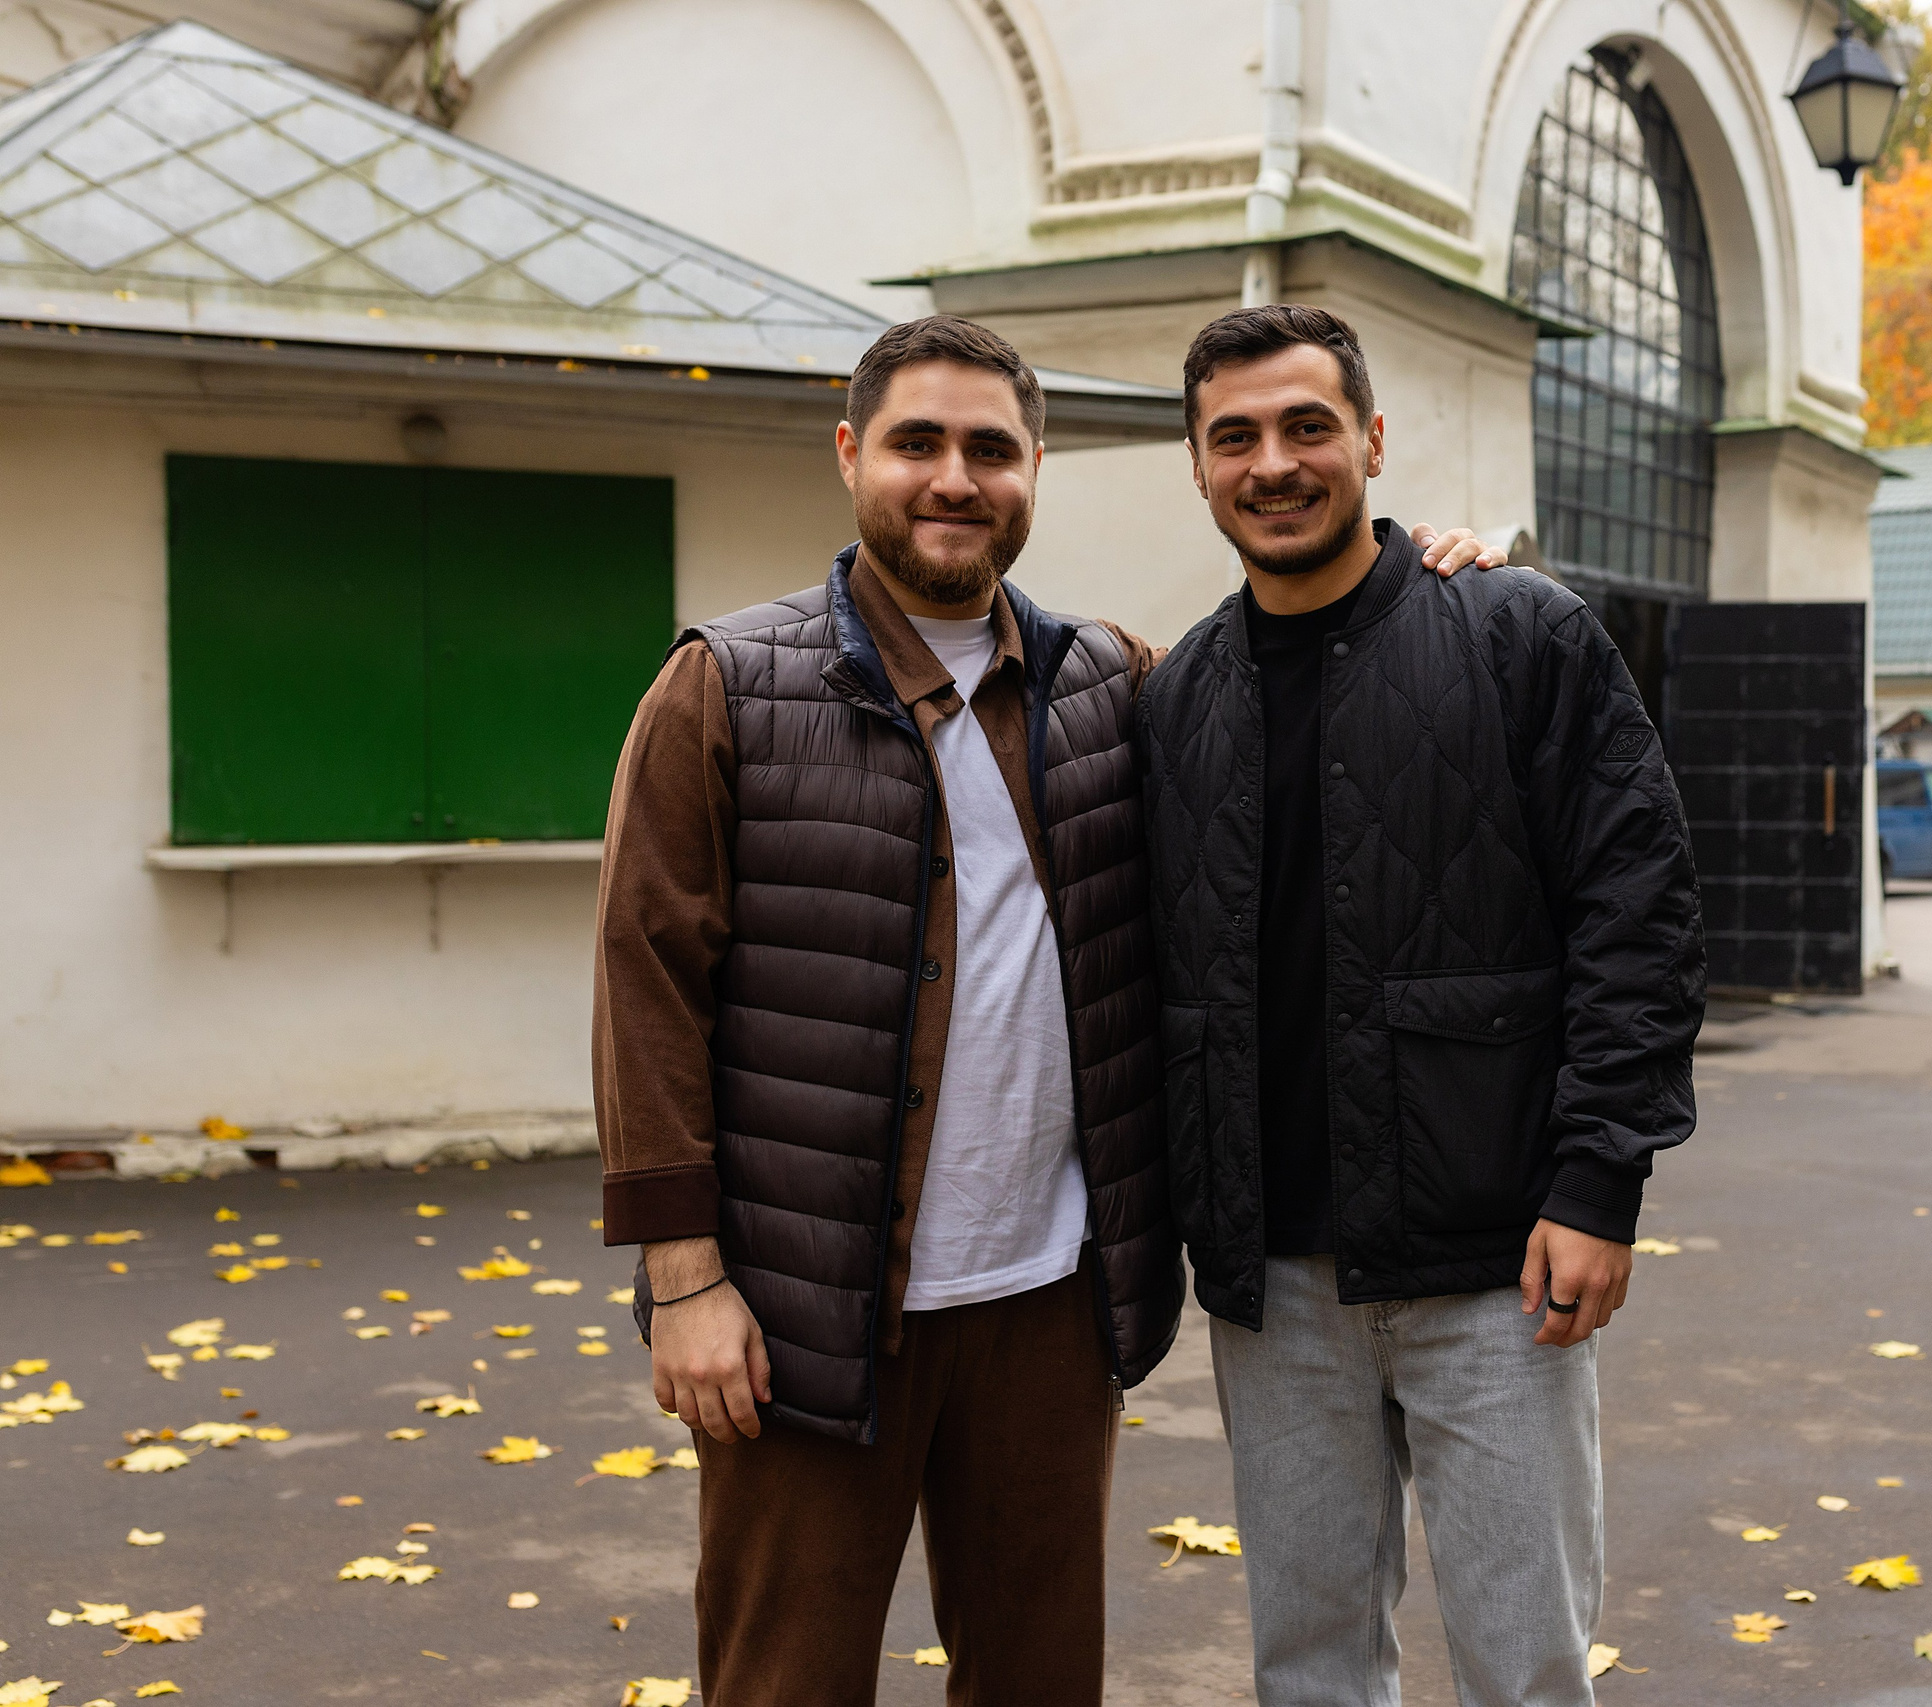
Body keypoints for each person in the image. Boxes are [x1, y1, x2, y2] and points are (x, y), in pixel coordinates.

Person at [590, 314, 1504, 1707]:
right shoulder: (726, 686)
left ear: (1035, 469)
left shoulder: (1111, 685)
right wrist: (683, 1273)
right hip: (806, 1307)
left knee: (1038, 1682)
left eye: (990, 449)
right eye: (917, 443)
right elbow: (646, 987)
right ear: (851, 457)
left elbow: (1312, 675)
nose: (954, 478)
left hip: (1048, 1307)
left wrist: (1444, 573)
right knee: (786, 1680)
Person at [1138, 304, 1709, 1707]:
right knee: (1311, 1667)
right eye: (1237, 437)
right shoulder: (1179, 696)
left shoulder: (1518, 632)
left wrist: (1598, 1178)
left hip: (1496, 1271)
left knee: (1526, 1666)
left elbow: (1637, 911)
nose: (1275, 462)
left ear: (1374, 441)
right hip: (1274, 1288)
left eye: (1308, 426)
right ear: (1199, 468)